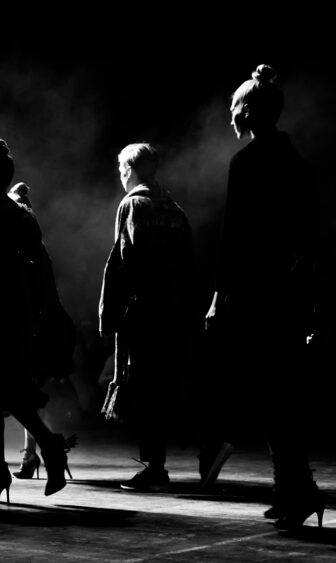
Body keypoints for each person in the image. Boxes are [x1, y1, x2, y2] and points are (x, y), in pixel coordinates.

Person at [204, 64, 322, 529]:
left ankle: (296, 490)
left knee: (268, 396)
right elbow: (312, 239)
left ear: (249, 110)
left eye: (233, 109)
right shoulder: (300, 165)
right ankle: (295, 490)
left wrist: (219, 298)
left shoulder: (247, 163)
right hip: (289, 296)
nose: (230, 117)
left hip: (256, 295)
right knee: (283, 397)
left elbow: (234, 240)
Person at [0, 139, 73, 504]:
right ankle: (24, 460)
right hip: (16, 317)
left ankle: (21, 461)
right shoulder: (23, 218)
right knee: (5, 393)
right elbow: (41, 270)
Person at [98, 143, 193, 491]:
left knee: (144, 388)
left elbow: (125, 260)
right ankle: (172, 457)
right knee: (168, 384)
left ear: (130, 169)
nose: (120, 175)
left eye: (121, 169)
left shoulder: (132, 204)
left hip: (144, 310)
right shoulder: (174, 208)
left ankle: (155, 467)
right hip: (175, 309)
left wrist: (110, 315)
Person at [5, 183, 78, 482]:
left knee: (15, 394)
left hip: (25, 331)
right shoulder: (38, 247)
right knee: (24, 396)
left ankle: (43, 448)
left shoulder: (17, 250)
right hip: (42, 330)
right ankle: (32, 453)